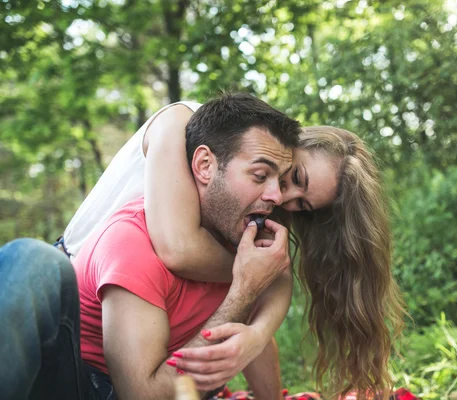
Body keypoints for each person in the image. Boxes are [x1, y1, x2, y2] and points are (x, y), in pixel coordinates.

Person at [60, 98, 405, 399]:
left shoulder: (246, 201)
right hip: (67, 281)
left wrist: (256, 333)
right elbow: (178, 250)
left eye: (303, 205)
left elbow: (266, 280)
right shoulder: (182, 125)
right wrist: (254, 275)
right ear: (290, 144)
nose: (283, 197)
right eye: (295, 178)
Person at [0, 93, 300, 400]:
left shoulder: (237, 235)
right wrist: (245, 287)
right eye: (260, 175)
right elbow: (141, 394)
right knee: (33, 257)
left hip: (166, 382)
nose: (277, 196)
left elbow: (254, 322)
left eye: (282, 181)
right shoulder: (134, 241)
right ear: (205, 165)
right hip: (81, 382)